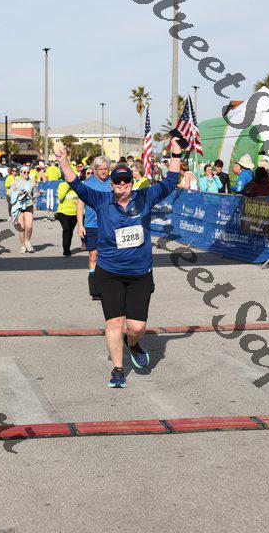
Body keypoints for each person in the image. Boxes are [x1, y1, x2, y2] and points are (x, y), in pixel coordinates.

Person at [55, 139, 181, 388]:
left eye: (127, 181)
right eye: (118, 181)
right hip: (110, 272)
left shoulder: (145, 197)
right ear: (111, 184)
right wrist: (64, 162)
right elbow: (75, 184)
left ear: (132, 183)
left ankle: (132, 343)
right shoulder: (102, 200)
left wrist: (176, 153)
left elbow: (170, 182)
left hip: (140, 273)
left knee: (137, 327)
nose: (123, 185)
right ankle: (117, 369)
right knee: (114, 323)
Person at [76, 156, 111, 300]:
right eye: (100, 169)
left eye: (106, 169)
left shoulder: (114, 182)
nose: (103, 171)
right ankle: (95, 288)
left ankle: (109, 286)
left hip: (109, 225)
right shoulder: (87, 183)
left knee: (108, 255)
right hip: (91, 225)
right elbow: (80, 205)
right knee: (93, 255)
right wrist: (80, 225)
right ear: (95, 170)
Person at [10, 166, 35, 254]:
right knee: (22, 227)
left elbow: (34, 194)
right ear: (21, 173)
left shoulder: (32, 183)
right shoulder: (15, 182)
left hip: (29, 206)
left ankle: (27, 241)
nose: (26, 174)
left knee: (29, 226)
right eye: (24, 172)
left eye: (28, 172)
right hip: (19, 206)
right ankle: (23, 246)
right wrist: (18, 193)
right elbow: (10, 193)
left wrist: (39, 193)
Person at [55, 179, 78, 257]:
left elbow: (80, 199)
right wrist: (68, 185)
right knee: (66, 229)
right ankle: (65, 249)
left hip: (74, 212)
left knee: (70, 231)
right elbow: (60, 196)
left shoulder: (77, 186)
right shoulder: (62, 185)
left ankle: (67, 248)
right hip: (62, 212)